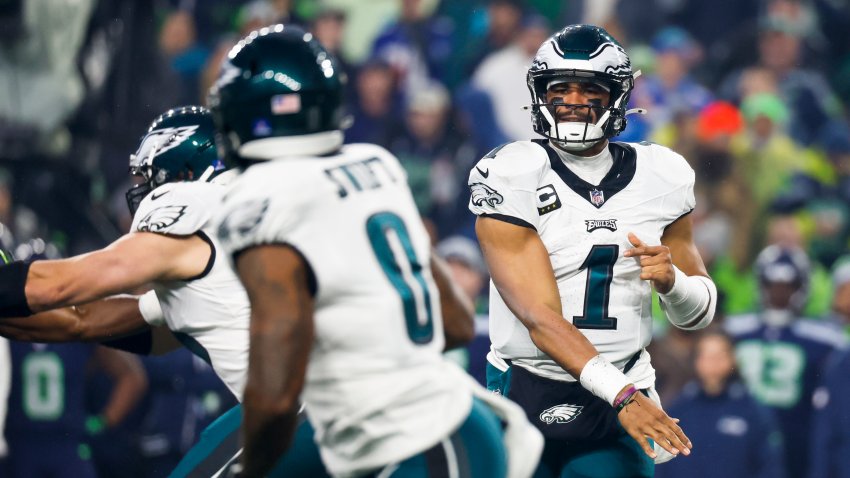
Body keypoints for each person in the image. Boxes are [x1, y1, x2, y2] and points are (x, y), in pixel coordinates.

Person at [209, 24, 543, 478]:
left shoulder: (259, 199)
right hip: (458, 425)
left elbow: (275, 393)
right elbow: (457, 322)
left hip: (416, 445)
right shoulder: (377, 164)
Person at [468, 24, 718, 477]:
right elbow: (539, 320)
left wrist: (673, 284)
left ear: (617, 95)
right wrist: (622, 395)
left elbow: (696, 316)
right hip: (529, 388)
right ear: (539, 93)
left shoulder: (663, 174)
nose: (575, 100)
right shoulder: (511, 171)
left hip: (623, 391)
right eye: (560, 87)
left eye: (590, 89)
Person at [725, 244, 846, 478]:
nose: (779, 293)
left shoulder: (827, 339)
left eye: (788, 286)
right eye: (772, 285)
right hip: (740, 436)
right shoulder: (733, 330)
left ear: (802, 287)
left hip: (799, 438)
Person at [655, 330, 786, 478]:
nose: (713, 362)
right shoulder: (678, 408)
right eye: (707, 356)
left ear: (733, 359)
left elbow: (770, 466)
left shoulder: (752, 411)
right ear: (695, 360)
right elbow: (661, 464)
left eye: (720, 355)